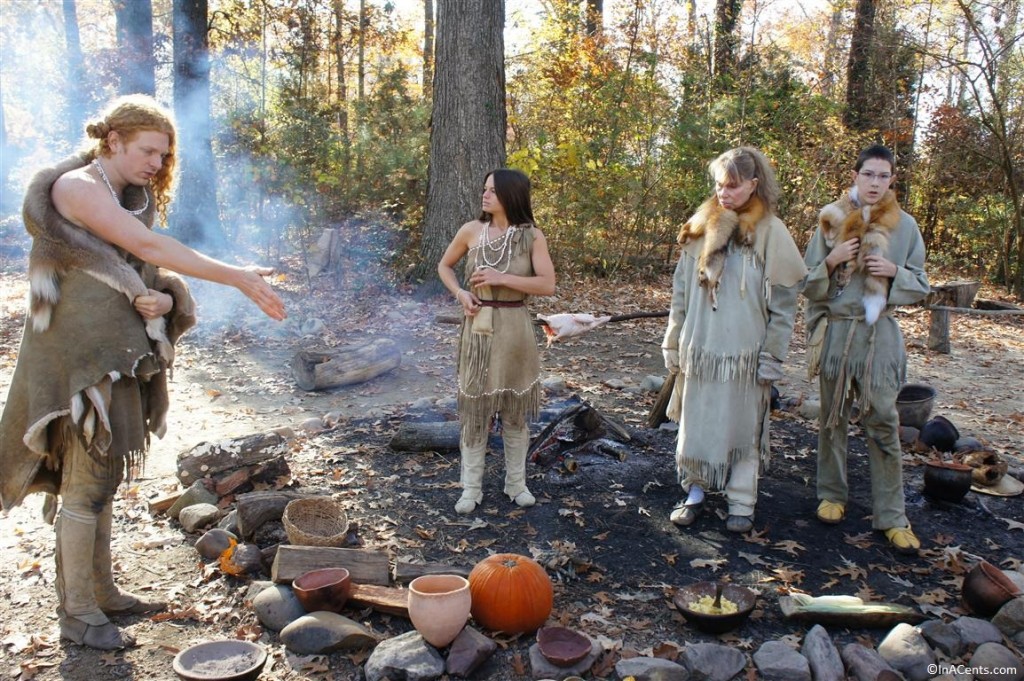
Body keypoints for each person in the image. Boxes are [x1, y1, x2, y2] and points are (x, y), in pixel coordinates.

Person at [0, 94, 286, 650]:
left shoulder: (127, 195)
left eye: (164, 153)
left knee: (101, 482)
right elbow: (144, 245)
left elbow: (137, 267)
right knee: (83, 488)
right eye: (149, 149)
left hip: (116, 354)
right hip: (78, 363)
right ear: (113, 140)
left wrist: (157, 296)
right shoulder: (77, 187)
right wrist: (237, 278)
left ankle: (101, 594)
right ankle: (78, 613)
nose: (157, 163)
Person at [662, 146, 806, 533]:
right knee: (696, 424)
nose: (723, 193)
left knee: (743, 428)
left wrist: (773, 354)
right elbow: (680, 294)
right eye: (719, 185)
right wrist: (672, 342)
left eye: (733, 186)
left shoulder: (770, 232)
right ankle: (693, 492)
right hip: (701, 348)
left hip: (745, 353)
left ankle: (742, 500)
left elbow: (785, 302)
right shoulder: (699, 227)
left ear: (754, 185)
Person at [803, 143, 930, 554]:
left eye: (883, 175)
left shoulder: (906, 227)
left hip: (881, 335)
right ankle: (832, 496)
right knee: (832, 418)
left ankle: (892, 515)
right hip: (838, 332)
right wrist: (830, 260)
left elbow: (922, 284)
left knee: (882, 420)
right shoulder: (830, 219)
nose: (875, 182)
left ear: (892, 179)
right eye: (868, 174)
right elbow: (804, 283)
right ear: (855, 175)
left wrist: (896, 274)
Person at [437, 169, 555, 515]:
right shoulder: (471, 231)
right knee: (476, 410)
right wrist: (460, 293)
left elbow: (547, 285)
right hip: (477, 328)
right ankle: (470, 488)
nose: (485, 195)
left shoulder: (531, 236)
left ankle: (515, 484)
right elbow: (444, 266)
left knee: (515, 410)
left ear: (511, 196)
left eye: (492, 190)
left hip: (516, 327)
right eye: (484, 188)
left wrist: (503, 277)